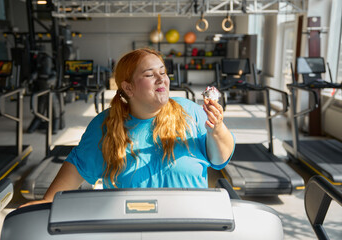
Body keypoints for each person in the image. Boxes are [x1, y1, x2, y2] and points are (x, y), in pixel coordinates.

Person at [20, 48, 235, 207]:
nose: (161, 78)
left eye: (163, 71)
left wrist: (217, 129)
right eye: (150, 75)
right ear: (128, 87)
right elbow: (76, 169)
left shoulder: (191, 112)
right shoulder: (105, 126)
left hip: (190, 225)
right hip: (130, 229)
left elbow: (220, 160)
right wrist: (46, 202)